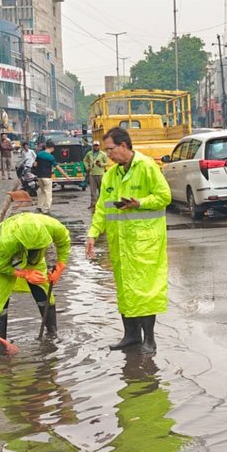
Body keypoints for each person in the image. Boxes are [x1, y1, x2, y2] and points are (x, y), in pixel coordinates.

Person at [86, 126, 172, 355]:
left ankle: (149, 340)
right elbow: (102, 208)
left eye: (110, 149)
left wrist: (140, 203)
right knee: (125, 290)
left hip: (145, 242)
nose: (108, 155)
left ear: (124, 146)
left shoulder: (146, 167)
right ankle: (131, 335)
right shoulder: (111, 175)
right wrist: (92, 234)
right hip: (120, 243)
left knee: (144, 290)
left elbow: (165, 196)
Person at [0, 211, 71, 339]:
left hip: (31, 250)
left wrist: (60, 265)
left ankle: (52, 334)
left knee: (42, 285)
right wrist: (24, 273)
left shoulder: (53, 226)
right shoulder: (7, 242)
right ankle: (1, 343)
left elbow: (64, 242)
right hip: (2, 252)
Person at [84, 138, 109, 209]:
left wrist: (101, 164)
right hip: (92, 173)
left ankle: (101, 204)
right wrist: (87, 167)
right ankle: (93, 204)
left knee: (101, 190)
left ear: (99, 146)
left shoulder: (102, 154)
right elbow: (85, 160)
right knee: (92, 190)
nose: (96, 147)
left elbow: (107, 163)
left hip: (100, 173)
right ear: (93, 146)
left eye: (97, 146)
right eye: (95, 146)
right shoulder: (89, 153)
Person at [34, 141, 57, 212]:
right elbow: (57, 167)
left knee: (42, 191)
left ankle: (39, 206)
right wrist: (66, 176)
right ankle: (46, 208)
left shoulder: (39, 154)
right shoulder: (51, 157)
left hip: (39, 176)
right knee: (48, 192)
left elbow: (35, 164)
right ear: (52, 148)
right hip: (47, 177)